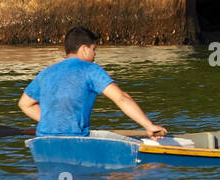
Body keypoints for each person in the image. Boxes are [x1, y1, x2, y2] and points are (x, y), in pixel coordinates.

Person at [18, 26, 167, 138]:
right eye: (94, 49)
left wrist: (55, 121)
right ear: (84, 49)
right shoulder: (90, 70)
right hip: (75, 141)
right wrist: (149, 126)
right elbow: (122, 98)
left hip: (43, 139)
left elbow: (24, 104)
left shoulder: (45, 73)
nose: (95, 55)